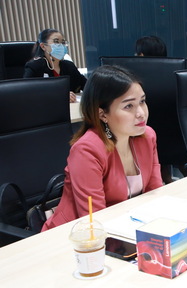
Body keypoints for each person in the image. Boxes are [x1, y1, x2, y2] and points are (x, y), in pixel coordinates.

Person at [42, 66, 162, 230]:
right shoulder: (87, 150)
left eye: (142, 101)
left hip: (128, 226)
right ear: (102, 114)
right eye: (128, 106)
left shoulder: (147, 137)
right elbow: (95, 219)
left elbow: (155, 194)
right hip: (76, 235)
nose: (141, 113)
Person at [24, 28, 87, 103]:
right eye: (56, 42)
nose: (61, 45)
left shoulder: (69, 66)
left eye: (63, 42)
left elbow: (87, 86)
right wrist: (59, 95)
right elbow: (27, 92)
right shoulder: (35, 66)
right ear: (43, 46)